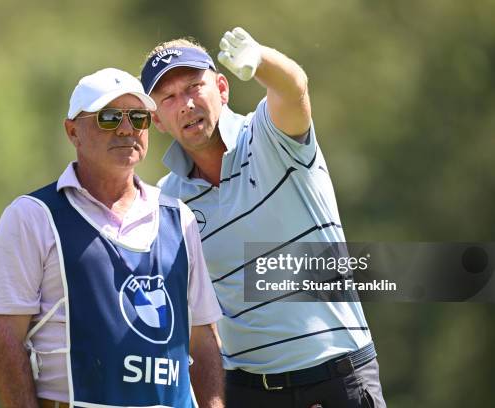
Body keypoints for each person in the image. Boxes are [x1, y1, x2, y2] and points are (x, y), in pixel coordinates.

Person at [140, 28, 386, 407]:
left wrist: (261, 61)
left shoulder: (268, 135)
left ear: (222, 88)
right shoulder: (168, 200)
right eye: (169, 98)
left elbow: (294, 89)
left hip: (336, 376)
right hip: (249, 391)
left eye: (193, 87)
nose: (186, 104)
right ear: (157, 120)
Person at [0, 68, 224, 408]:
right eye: (109, 117)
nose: (126, 128)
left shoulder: (178, 217)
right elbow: (2, 339)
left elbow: (202, 339)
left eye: (138, 117)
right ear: (72, 132)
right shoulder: (33, 216)